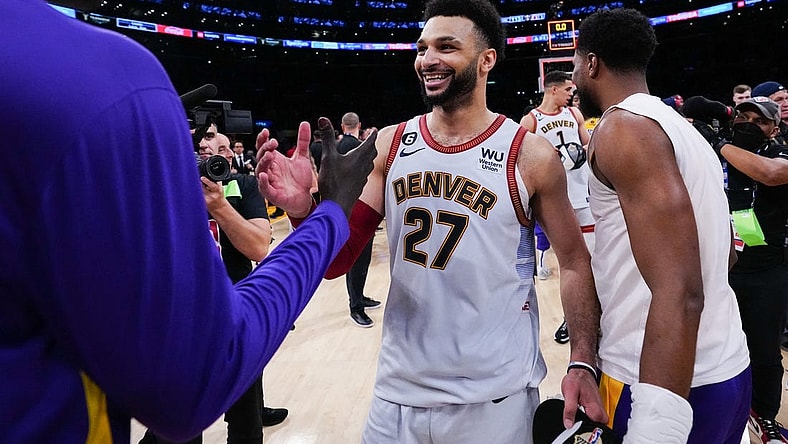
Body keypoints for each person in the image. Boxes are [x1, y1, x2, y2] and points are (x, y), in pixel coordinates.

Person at [0, 0, 376, 441]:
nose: (216, 160)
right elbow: (194, 375)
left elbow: (256, 246)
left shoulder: (243, 185)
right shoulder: (107, 79)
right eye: (208, 152)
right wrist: (327, 214)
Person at [257, 0, 603, 442]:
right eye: (422, 48)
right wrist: (302, 210)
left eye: (446, 47)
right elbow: (336, 262)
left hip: (493, 398)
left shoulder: (530, 154)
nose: (428, 60)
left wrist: (581, 360)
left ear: (486, 60)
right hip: (396, 394)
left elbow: (573, 262)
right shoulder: (391, 144)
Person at [568, 8, 751, 442]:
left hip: (661, 383)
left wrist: (657, 425)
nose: (574, 77)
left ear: (591, 63)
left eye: (576, 62)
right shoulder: (686, 132)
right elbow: (724, 253)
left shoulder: (621, 130)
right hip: (725, 367)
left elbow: (680, 291)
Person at [139, 127, 287, 444]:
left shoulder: (243, 185)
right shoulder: (165, 186)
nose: (203, 148)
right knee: (181, 425)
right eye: (196, 146)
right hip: (180, 324)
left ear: (228, 157)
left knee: (246, 418)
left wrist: (219, 205)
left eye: (213, 146)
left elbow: (260, 247)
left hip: (235, 320)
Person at [695, 97, 788, 443]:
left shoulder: (780, 152)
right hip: (720, 268)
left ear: (773, 129)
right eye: (743, 116)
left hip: (766, 270)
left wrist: (719, 144)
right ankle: (727, 413)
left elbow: (769, 173)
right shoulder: (716, 156)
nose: (748, 123)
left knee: (765, 351)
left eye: (759, 121)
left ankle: (764, 417)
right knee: (719, 347)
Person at [520, 70, 593, 347]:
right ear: (552, 90)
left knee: (590, 260)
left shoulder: (574, 115)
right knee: (569, 264)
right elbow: (518, 160)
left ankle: (588, 315)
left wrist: (578, 154)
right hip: (554, 199)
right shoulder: (531, 120)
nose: (571, 94)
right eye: (567, 90)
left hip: (583, 195)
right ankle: (570, 317)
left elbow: (588, 145)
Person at [336, 112, 382, 328]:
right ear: (359, 125)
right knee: (357, 259)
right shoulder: (357, 147)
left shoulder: (338, 145)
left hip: (347, 208)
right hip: (356, 209)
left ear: (343, 125)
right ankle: (356, 307)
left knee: (359, 259)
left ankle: (359, 297)